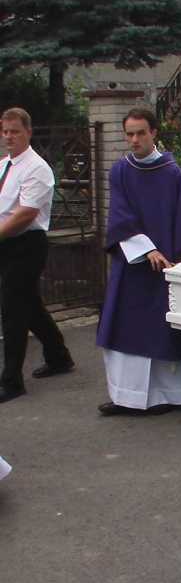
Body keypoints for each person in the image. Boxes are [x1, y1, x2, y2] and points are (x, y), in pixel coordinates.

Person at [96, 107, 181, 415]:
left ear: (154, 133)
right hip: (131, 264)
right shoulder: (120, 170)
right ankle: (126, 397)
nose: (134, 139)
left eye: (141, 133)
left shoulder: (172, 173)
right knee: (124, 327)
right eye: (129, 134)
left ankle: (167, 396)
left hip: (164, 265)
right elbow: (119, 214)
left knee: (161, 329)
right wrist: (146, 249)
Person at [0, 107, 74, 404]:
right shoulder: (4, 165)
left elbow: (26, 213)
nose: (9, 137)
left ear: (28, 132)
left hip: (26, 244)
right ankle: (58, 355)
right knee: (28, 303)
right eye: (5, 131)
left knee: (13, 311)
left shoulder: (37, 168)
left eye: (15, 131)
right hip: (6, 243)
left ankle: (11, 381)